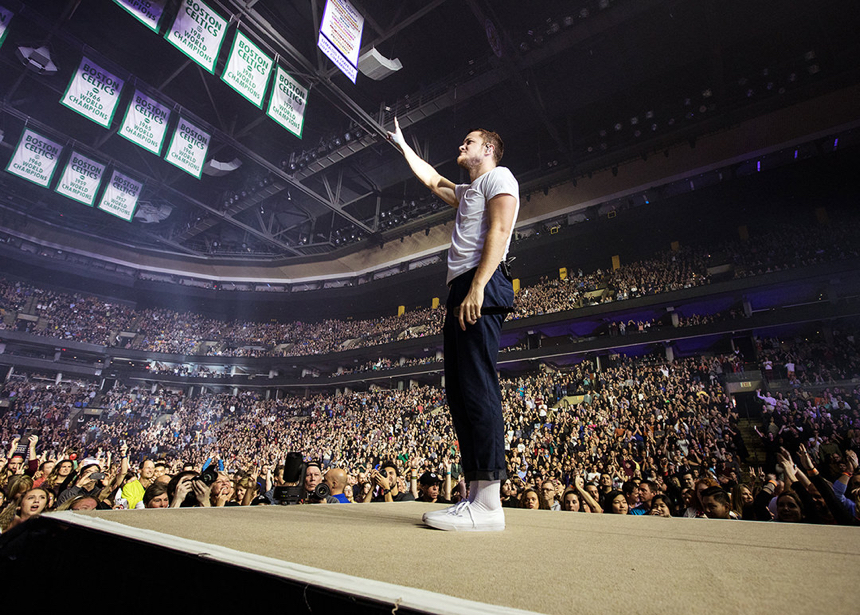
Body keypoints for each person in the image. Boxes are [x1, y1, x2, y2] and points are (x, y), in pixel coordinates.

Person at [389, 117, 519, 532]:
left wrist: (478, 286)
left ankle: (489, 504)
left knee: (478, 387)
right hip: (462, 285)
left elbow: (500, 229)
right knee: (461, 392)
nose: (462, 144)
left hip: (480, 281)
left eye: (471, 141)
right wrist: (403, 145)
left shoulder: (501, 176)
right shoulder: (468, 191)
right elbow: (433, 180)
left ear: (489, 149)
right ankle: (475, 495)